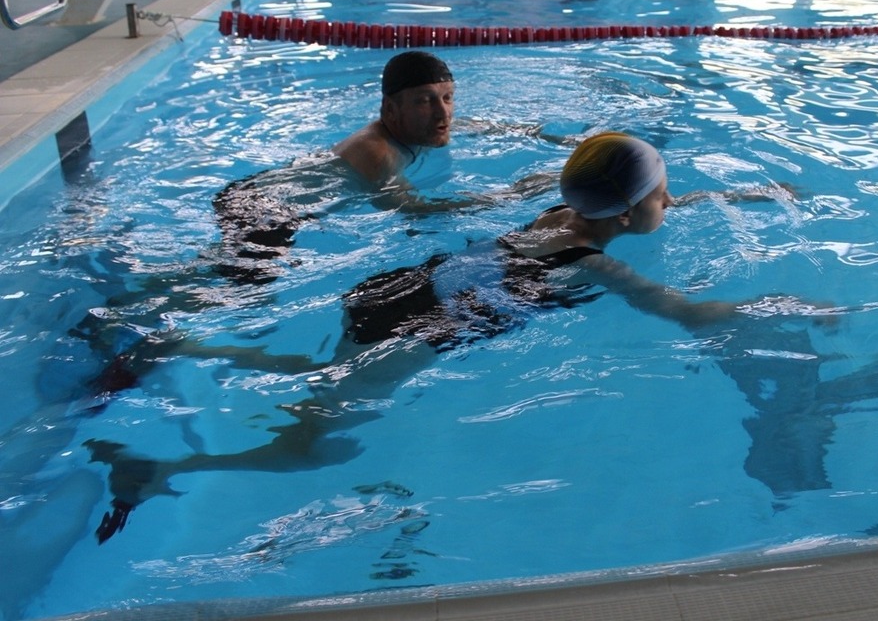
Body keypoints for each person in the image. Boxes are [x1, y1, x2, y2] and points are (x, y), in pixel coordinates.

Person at [83, 132, 821, 543]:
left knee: (324, 372)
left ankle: (182, 346)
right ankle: (158, 468)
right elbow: (689, 314)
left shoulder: (559, 216)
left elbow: (628, 200)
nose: (674, 199)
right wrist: (779, 306)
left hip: (393, 291)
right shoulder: (595, 264)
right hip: (413, 334)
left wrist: (735, 194)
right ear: (627, 215)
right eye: (665, 191)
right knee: (316, 449)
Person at [211, 50, 554, 284]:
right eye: (425, 101)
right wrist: (511, 195)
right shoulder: (377, 153)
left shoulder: (425, 127)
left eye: (447, 97)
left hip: (266, 196)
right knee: (231, 289)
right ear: (390, 109)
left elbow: (487, 127)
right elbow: (413, 210)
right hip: (265, 211)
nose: (443, 113)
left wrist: (557, 140)